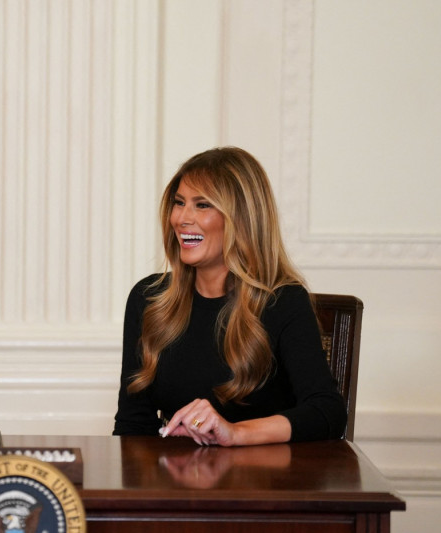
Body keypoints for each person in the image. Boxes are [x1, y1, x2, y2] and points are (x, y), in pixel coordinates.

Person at [113, 146, 347, 446]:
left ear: (243, 219)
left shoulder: (283, 301)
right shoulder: (148, 299)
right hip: (173, 483)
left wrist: (235, 433)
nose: (182, 218)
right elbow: (133, 424)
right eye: (179, 203)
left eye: (202, 205)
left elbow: (327, 411)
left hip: (259, 484)